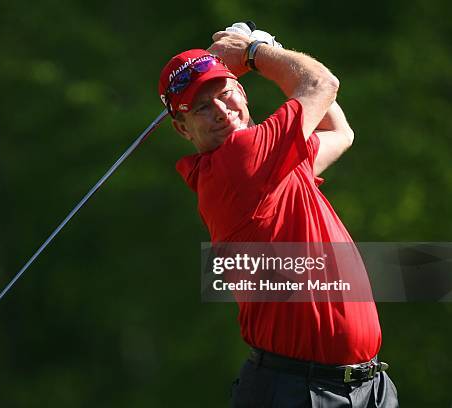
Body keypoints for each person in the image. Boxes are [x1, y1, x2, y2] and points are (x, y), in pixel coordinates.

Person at [158, 23, 398, 407]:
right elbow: (322, 84)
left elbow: (340, 131)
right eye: (202, 106)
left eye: (226, 93)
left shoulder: (268, 163)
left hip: (365, 387)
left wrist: (267, 48)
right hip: (297, 391)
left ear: (243, 93)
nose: (221, 110)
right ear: (182, 129)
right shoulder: (240, 162)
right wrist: (255, 52)